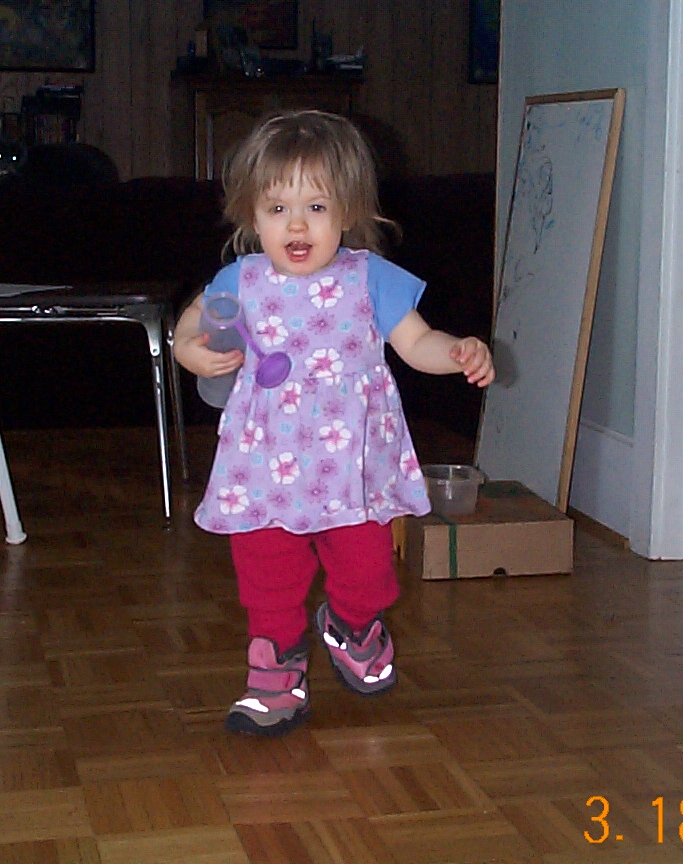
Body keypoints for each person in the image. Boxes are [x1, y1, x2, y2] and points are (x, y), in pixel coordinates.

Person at [172, 109, 494, 736]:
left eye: (316, 208)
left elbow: (416, 343)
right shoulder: (241, 280)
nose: (296, 225)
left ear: (347, 212)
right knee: (267, 574)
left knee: (367, 570)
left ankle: (353, 623)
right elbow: (191, 325)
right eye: (277, 209)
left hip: (353, 468)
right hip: (265, 464)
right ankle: (274, 676)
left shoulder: (370, 278)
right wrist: (191, 349)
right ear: (252, 216)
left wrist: (457, 352)